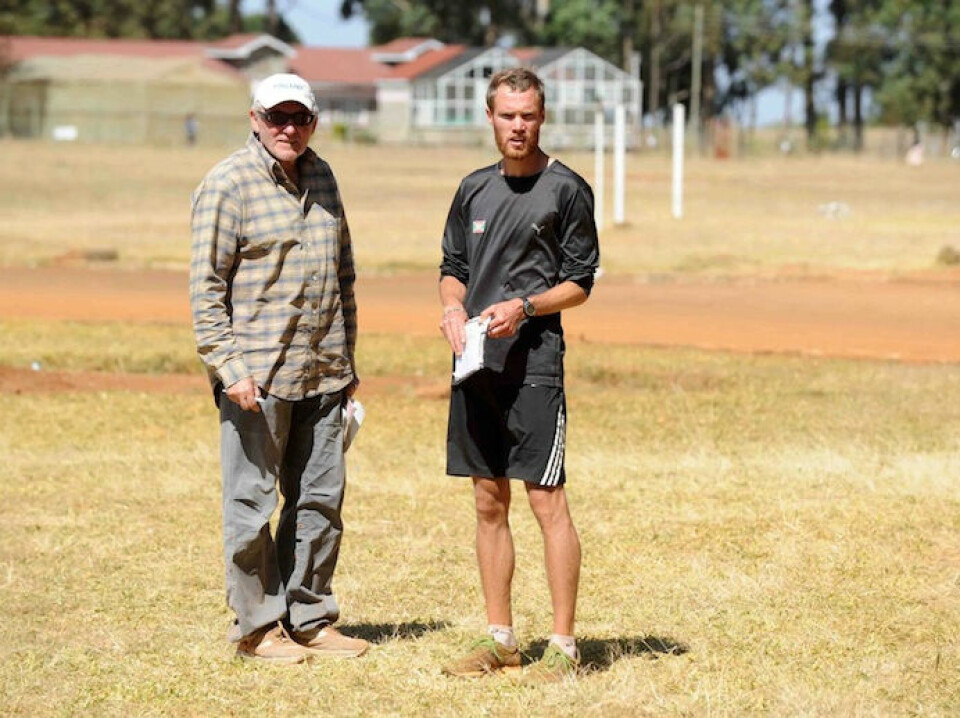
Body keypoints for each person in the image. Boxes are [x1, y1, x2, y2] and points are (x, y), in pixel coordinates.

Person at [190, 73, 367, 664]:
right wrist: (229, 368)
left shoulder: (323, 177)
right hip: (257, 379)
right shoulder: (227, 184)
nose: (288, 128)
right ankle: (257, 626)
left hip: (324, 371)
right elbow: (206, 290)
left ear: (313, 122)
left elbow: (343, 274)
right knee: (251, 505)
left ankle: (309, 617)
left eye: (299, 118)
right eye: (276, 117)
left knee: (320, 502)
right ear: (255, 119)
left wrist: (347, 360)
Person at [437, 68, 600, 684]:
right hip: (475, 363)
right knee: (487, 498)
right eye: (507, 115)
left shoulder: (567, 189)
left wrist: (526, 308)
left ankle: (563, 646)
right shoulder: (472, 188)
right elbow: (453, 267)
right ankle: (500, 638)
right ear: (490, 117)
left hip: (535, 366)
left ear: (542, 117)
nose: (518, 126)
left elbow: (580, 283)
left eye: (528, 115)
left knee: (545, 499)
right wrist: (453, 308)